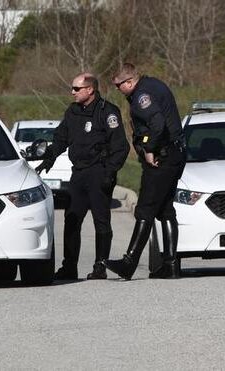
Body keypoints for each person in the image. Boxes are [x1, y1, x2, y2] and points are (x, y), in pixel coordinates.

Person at [36, 72, 129, 280]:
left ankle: (100, 266)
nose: (72, 92)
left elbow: (121, 147)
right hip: (78, 173)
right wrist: (50, 156)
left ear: (90, 90)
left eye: (76, 89)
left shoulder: (108, 112)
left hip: (100, 172)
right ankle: (69, 266)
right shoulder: (73, 111)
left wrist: (110, 172)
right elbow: (61, 137)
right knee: (72, 220)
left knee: (101, 222)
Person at [104, 63, 186, 280]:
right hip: (175, 154)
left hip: (162, 157)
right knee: (166, 210)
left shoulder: (142, 97)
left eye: (118, 85)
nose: (117, 90)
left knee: (145, 209)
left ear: (129, 82)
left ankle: (128, 263)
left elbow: (157, 123)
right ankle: (170, 265)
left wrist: (149, 149)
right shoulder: (153, 85)